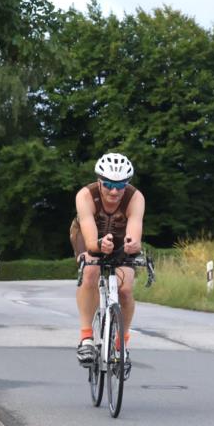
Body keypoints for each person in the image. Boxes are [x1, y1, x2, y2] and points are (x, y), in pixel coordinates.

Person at [70, 152, 146, 372]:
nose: (115, 191)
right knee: (90, 272)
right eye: (109, 184)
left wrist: (132, 245)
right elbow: (91, 240)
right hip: (88, 235)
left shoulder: (135, 198)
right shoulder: (85, 195)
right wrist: (96, 246)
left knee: (126, 288)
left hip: (120, 237)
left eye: (121, 185)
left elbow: (134, 234)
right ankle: (86, 339)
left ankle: (121, 344)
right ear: (99, 181)